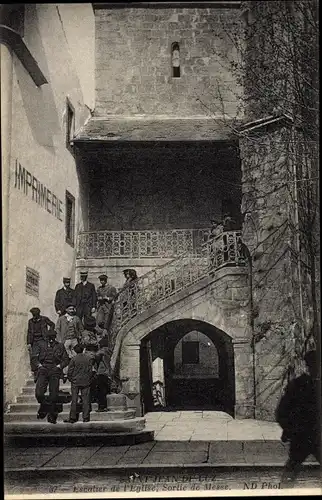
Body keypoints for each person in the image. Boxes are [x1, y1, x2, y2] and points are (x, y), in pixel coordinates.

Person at [276, 350, 321, 485]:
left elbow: (282, 411)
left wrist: (287, 429)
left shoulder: (297, 384)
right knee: (292, 469)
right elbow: (283, 411)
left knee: (291, 470)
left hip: (304, 435)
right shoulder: (298, 385)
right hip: (303, 435)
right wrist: (288, 428)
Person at [30, 329, 69, 423]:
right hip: (43, 369)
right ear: (46, 338)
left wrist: (59, 366)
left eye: (52, 338)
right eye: (49, 338)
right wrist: (39, 365)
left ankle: (51, 415)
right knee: (39, 393)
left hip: (54, 370)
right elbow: (34, 358)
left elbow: (66, 359)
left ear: (55, 337)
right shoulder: (40, 344)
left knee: (54, 395)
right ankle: (44, 405)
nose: (51, 340)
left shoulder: (60, 346)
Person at [64, 343, 96, 423]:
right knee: (85, 400)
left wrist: (71, 379)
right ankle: (86, 417)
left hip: (75, 381)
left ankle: (72, 417)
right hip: (86, 381)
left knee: (74, 400)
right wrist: (89, 379)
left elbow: (70, 371)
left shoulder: (74, 359)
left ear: (75, 351)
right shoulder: (88, 358)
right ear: (83, 350)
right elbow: (91, 371)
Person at [27, 308, 55, 382]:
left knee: (42, 356)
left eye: (35, 315)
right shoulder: (30, 321)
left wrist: (49, 332)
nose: (34, 317)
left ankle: (43, 373)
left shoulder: (44, 319)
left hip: (43, 340)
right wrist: (29, 343)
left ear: (38, 314)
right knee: (34, 357)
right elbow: (29, 332)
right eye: (33, 315)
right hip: (34, 341)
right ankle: (36, 374)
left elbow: (52, 324)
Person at [94, 336, 113, 412]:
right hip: (108, 373)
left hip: (102, 373)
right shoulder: (109, 351)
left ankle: (102, 407)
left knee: (101, 391)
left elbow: (96, 356)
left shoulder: (102, 352)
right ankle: (106, 406)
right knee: (106, 390)